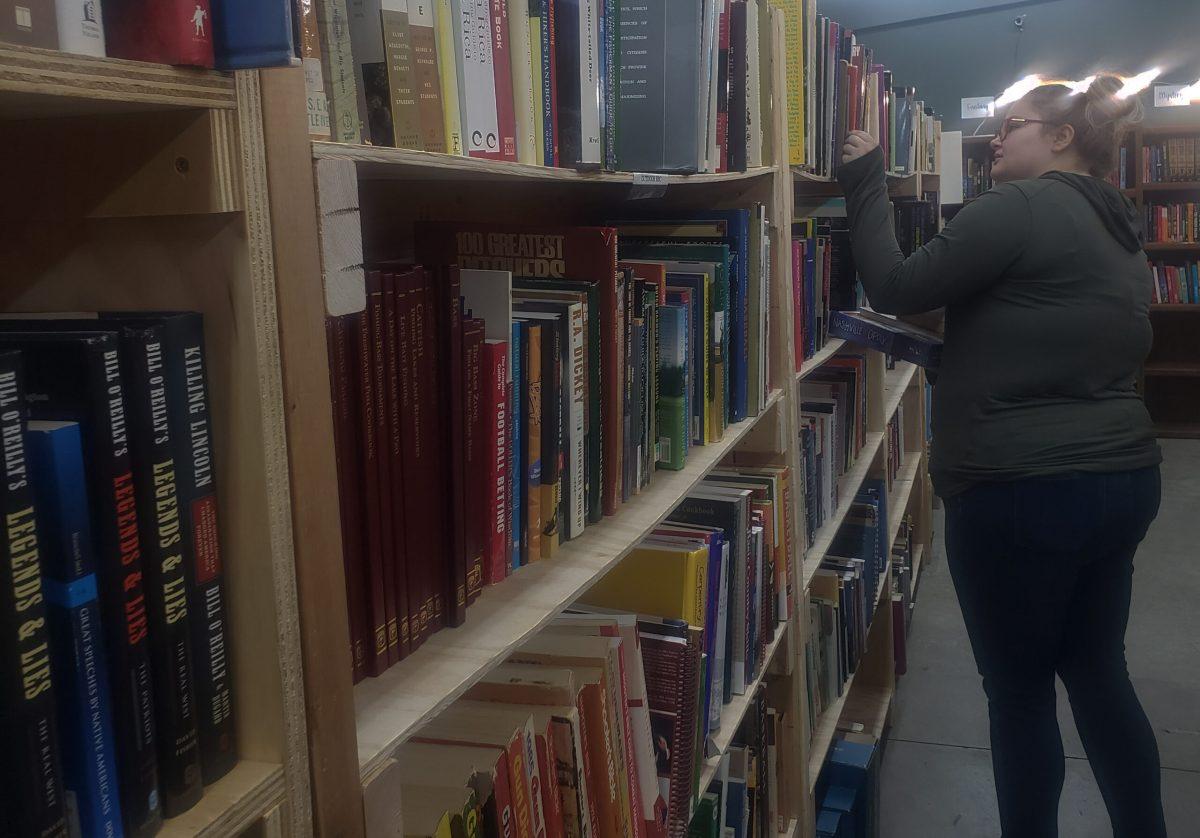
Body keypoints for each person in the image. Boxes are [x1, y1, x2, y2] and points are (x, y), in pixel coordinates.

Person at [837, 74, 1166, 838]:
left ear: (1060, 139)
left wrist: (864, 180)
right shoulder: (1117, 223)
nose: (994, 139)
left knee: (1017, 694)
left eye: (1011, 125)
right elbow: (1053, 334)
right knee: (1097, 673)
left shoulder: (1018, 206)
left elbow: (893, 283)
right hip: (1122, 477)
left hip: (1021, 490)